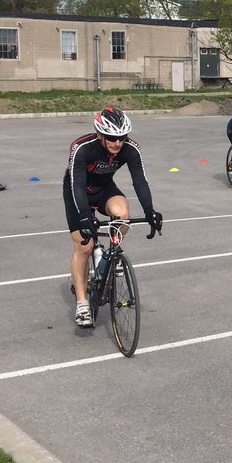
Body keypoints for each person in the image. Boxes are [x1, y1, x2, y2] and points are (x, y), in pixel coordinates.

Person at [63, 107, 162, 328]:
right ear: (99, 134)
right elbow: (77, 185)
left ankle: (108, 258)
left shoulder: (130, 149)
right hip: (77, 193)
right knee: (84, 247)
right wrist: (84, 216)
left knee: (123, 216)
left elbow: (140, 181)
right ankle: (82, 304)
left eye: (121, 138)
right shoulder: (82, 149)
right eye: (112, 138)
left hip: (104, 189)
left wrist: (150, 211)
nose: (117, 143)